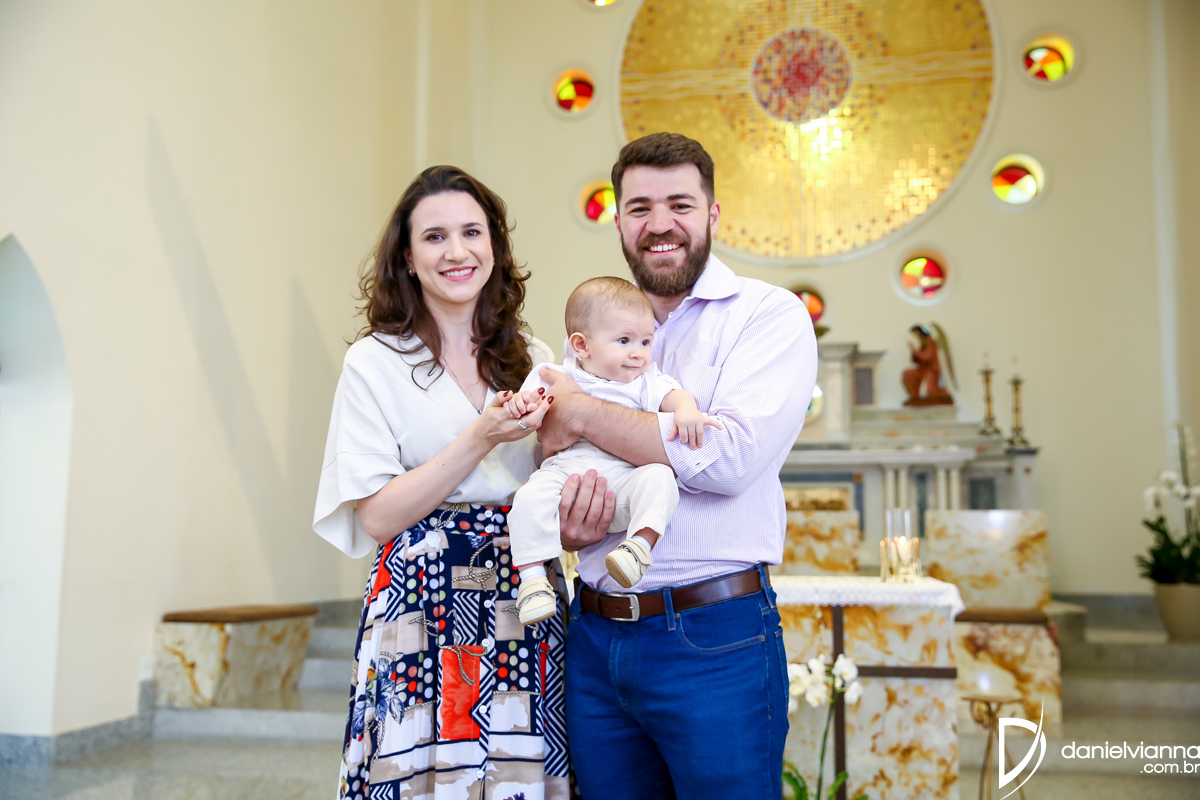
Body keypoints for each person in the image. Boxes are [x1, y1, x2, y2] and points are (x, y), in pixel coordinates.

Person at [537, 133, 818, 799]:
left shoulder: (765, 315)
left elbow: (727, 458)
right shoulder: (589, 331)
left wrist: (583, 413)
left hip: (713, 638)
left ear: (713, 214)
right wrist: (568, 519)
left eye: (680, 205)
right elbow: (551, 452)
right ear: (618, 222)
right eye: (639, 208)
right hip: (594, 635)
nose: (659, 223)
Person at [313, 166, 578, 800]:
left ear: (495, 246)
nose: (457, 251)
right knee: (422, 777)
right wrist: (479, 436)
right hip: (419, 598)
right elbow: (377, 517)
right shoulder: (375, 361)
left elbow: (556, 480)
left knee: (523, 771)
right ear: (407, 257)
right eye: (434, 236)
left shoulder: (536, 358)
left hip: (525, 590)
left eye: (471, 232)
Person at [504, 276, 722, 625]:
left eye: (646, 341)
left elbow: (675, 395)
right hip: (565, 472)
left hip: (623, 479)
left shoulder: (645, 381)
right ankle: (532, 582)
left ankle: (638, 549)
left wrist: (687, 411)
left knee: (661, 477)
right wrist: (522, 406)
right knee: (529, 497)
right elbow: (530, 408)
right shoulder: (554, 374)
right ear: (582, 345)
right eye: (624, 340)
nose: (638, 353)